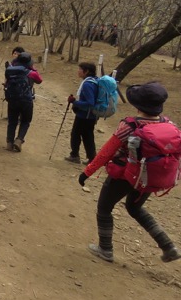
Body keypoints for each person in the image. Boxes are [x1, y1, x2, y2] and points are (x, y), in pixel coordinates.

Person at [78, 82, 181, 263]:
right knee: (134, 207)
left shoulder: (130, 125)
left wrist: (87, 172)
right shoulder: (168, 124)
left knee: (104, 208)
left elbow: (107, 151)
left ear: (137, 105)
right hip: (149, 177)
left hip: (124, 175)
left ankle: (105, 249)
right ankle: (168, 246)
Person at [3, 51, 42, 152]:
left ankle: (9, 143)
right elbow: (39, 80)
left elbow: (6, 82)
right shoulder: (31, 73)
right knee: (25, 121)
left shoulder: (10, 70)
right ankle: (19, 140)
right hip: (26, 100)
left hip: (12, 99)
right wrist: (33, 68)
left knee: (12, 122)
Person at [65, 62, 98, 164]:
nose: (78, 71)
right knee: (88, 136)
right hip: (91, 115)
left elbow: (90, 102)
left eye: (80, 69)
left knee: (75, 134)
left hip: (84, 115)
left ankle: (74, 155)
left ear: (86, 71)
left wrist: (75, 102)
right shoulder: (94, 81)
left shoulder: (87, 84)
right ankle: (92, 158)